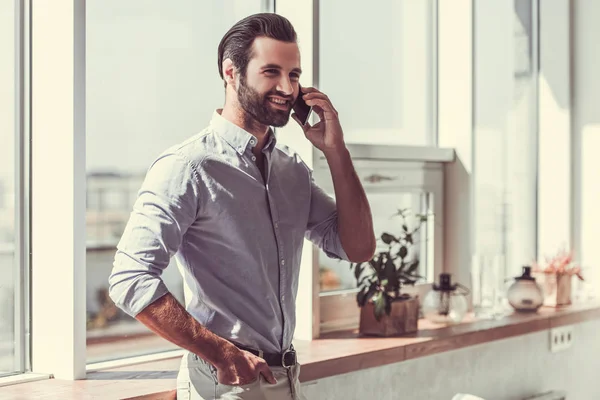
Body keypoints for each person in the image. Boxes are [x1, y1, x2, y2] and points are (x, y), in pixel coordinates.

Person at [108, 13, 375, 400]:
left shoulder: (292, 171)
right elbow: (129, 277)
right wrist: (220, 352)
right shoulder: (188, 166)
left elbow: (359, 247)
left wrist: (336, 151)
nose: (287, 87)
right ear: (231, 73)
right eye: (271, 72)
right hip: (227, 382)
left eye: (295, 75)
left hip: (286, 376)